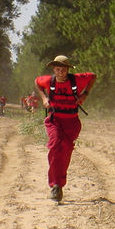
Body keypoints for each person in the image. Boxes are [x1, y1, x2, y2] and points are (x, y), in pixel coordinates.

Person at [35, 55, 96, 202]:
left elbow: (93, 76)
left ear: (67, 69)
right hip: (55, 121)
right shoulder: (49, 81)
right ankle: (56, 185)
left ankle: (59, 183)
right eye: (57, 69)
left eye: (63, 69)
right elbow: (37, 82)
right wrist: (44, 98)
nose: (60, 72)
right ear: (54, 69)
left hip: (72, 123)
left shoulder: (77, 80)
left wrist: (85, 94)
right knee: (55, 147)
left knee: (65, 152)